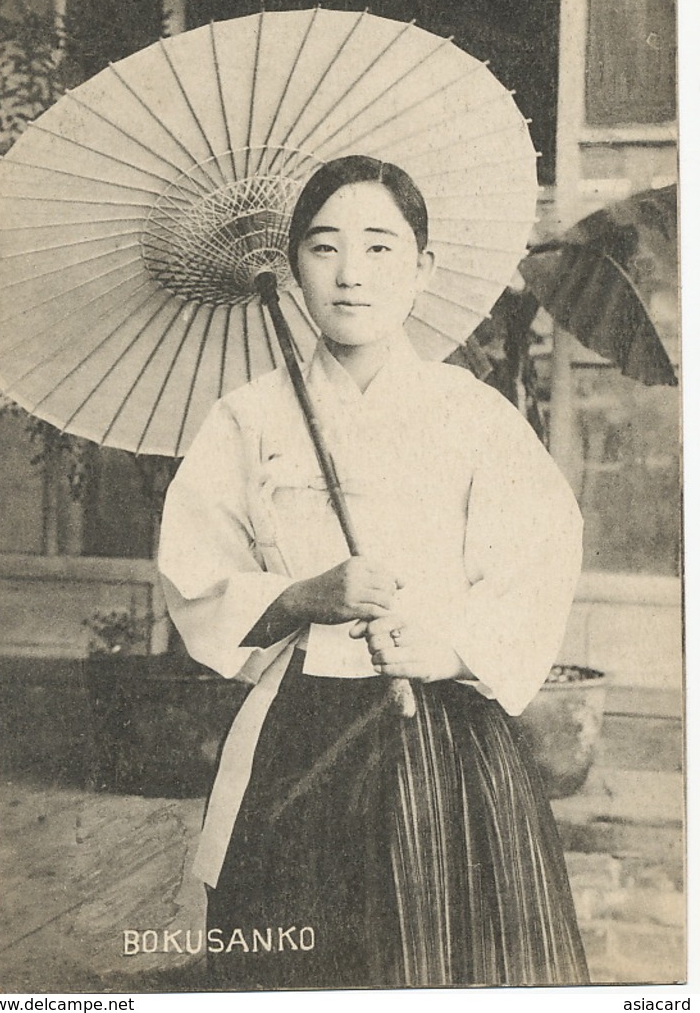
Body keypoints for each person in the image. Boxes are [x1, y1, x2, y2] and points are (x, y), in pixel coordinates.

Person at [158, 155, 589, 990]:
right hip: (299, 733)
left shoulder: (471, 414)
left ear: (423, 267)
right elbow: (196, 568)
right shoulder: (247, 417)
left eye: (381, 248)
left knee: (439, 954)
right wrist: (300, 594)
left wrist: (448, 643)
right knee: (290, 961)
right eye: (323, 248)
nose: (351, 275)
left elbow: (539, 552)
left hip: (444, 735)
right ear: (290, 269)